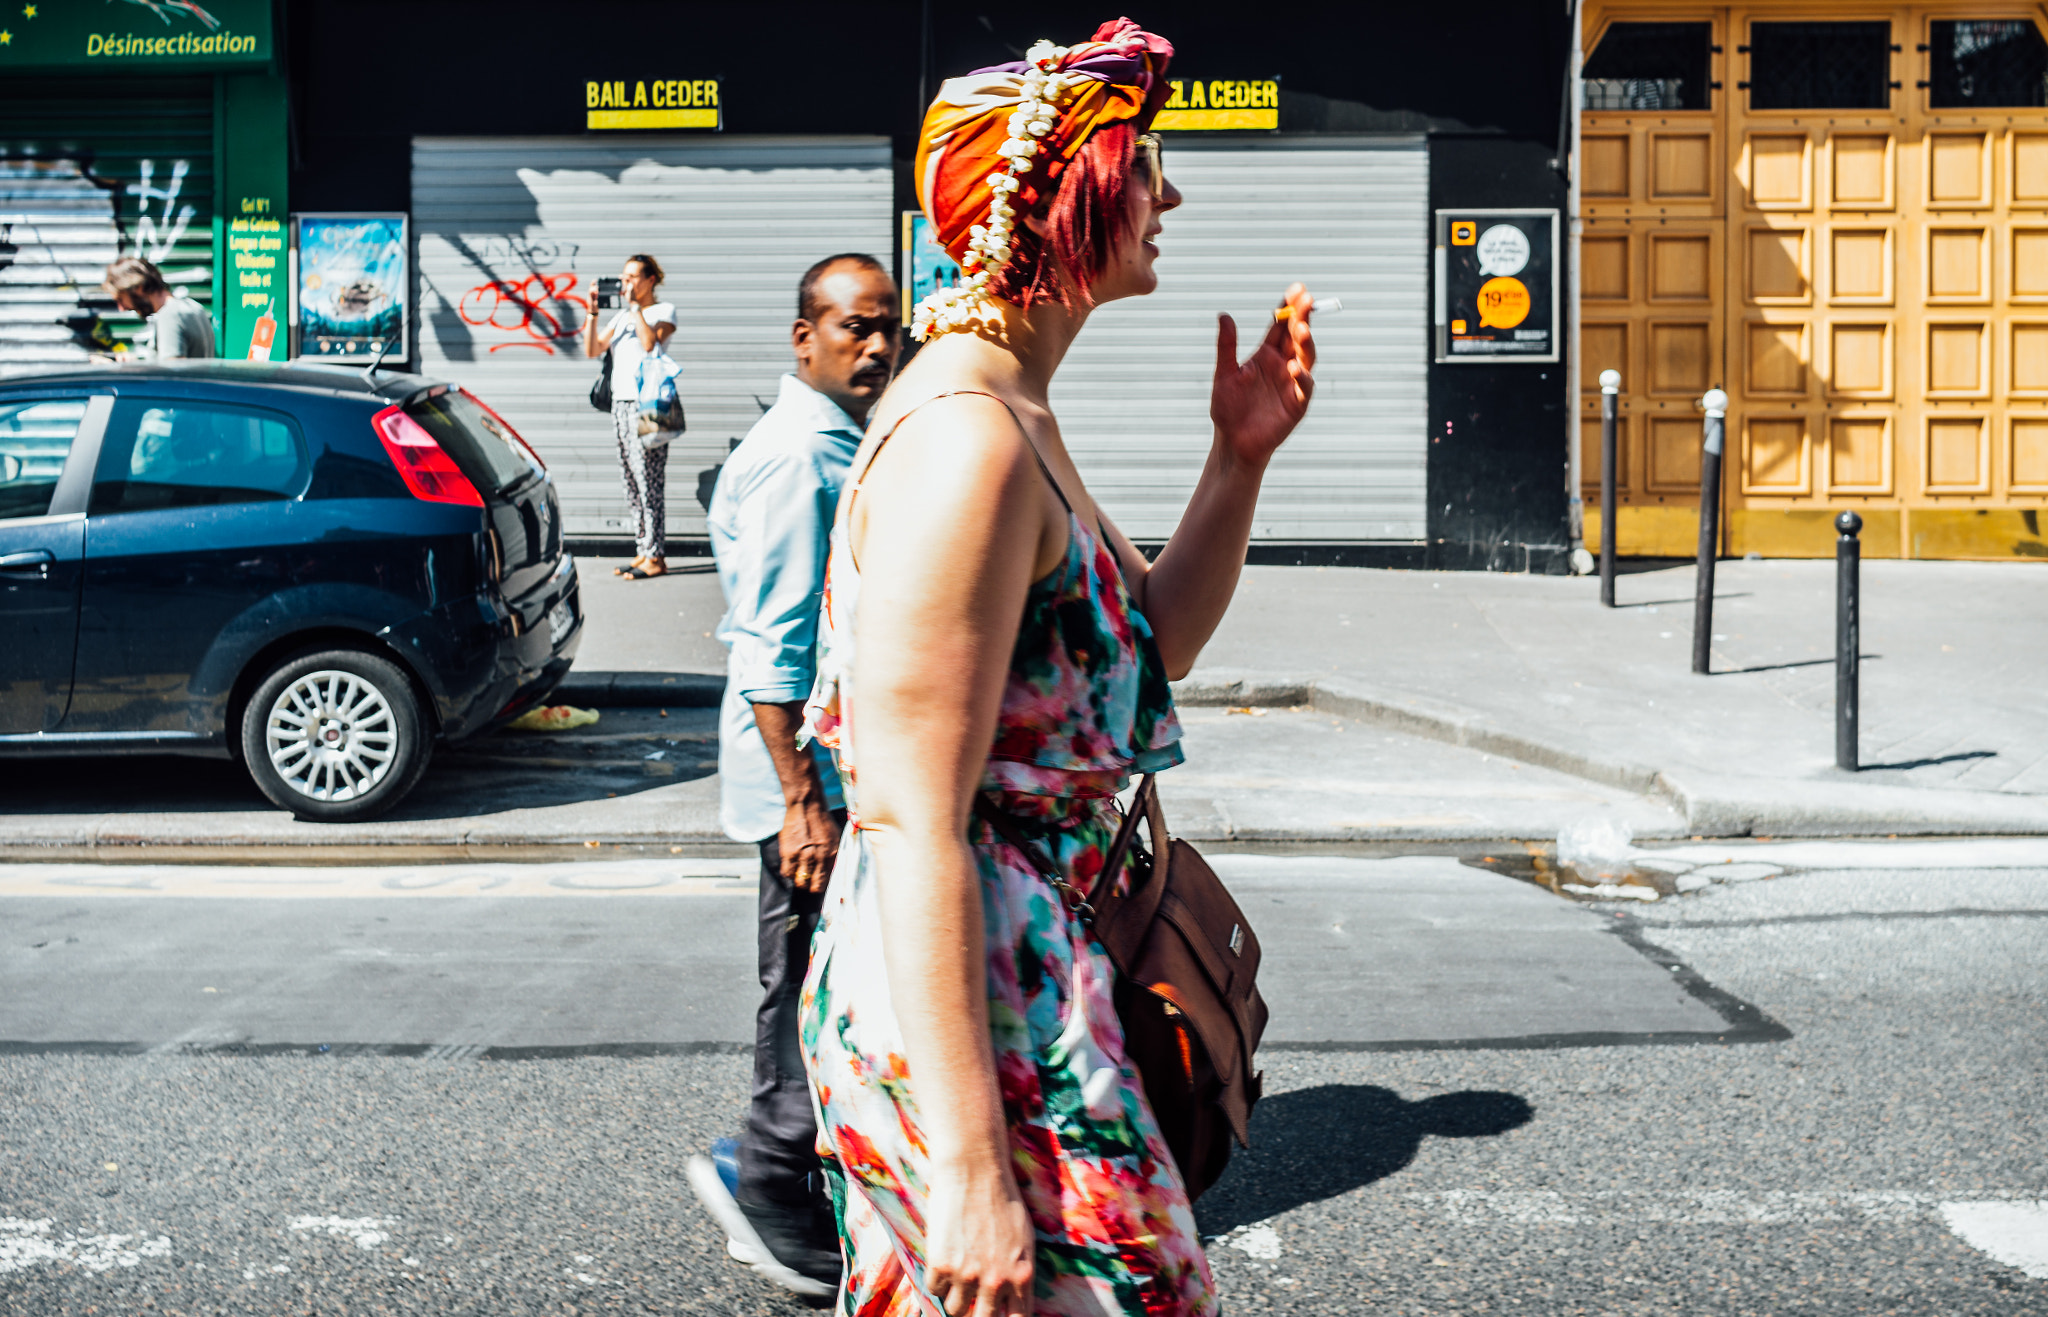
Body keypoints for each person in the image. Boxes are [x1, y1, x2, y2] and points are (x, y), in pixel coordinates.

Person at [797, 20, 1315, 1317]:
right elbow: (911, 815)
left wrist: (1239, 456)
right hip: (974, 991)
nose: (1169, 196)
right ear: (1067, 193)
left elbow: (1157, 645)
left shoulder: (1017, 414)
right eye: (1145, 166)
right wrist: (970, 1166)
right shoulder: (966, 442)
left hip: (1036, 965)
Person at [688, 254, 903, 1301]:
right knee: (804, 986)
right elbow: (770, 649)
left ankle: (799, 1172)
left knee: (828, 983)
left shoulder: (833, 444)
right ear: (802, 337)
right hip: (805, 790)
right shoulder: (797, 463)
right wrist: (801, 802)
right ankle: (769, 1180)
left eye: (885, 328)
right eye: (853, 327)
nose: (875, 345)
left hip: (827, 780)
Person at [581, 254, 676, 579]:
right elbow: (592, 349)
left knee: (649, 480)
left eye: (634, 277)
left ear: (651, 280)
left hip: (648, 405)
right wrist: (592, 312)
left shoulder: (662, 312)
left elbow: (651, 345)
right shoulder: (621, 318)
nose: (627, 283)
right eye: (624, 277)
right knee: (631, 480)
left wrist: (636, 309)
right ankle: (643, 549)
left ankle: (657, 555)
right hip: (620, 405)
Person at [102, 256, 215, 360]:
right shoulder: (194, 307)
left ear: (138, 288)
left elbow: (173, 375)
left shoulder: (169, 315)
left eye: (121, 299)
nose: (122, 308)